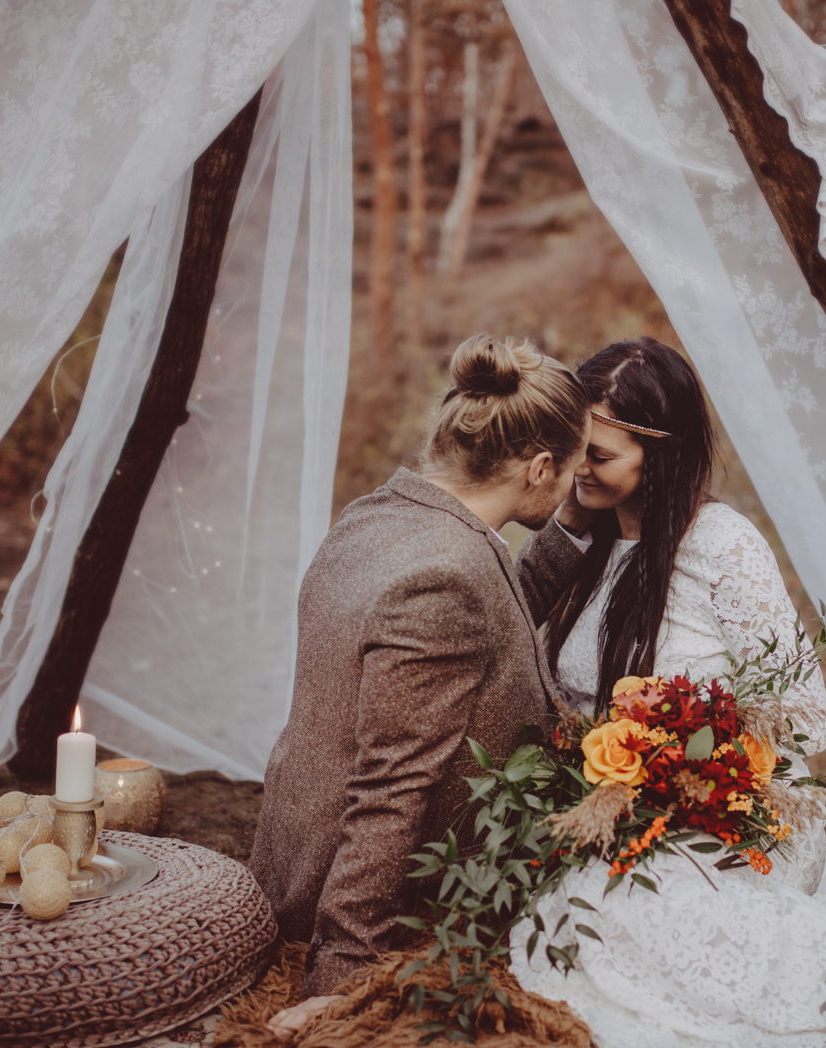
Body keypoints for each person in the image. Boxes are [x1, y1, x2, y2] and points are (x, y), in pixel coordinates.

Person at [511, 336, 826, 1048]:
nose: (580, 470)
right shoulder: (581, 546)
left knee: (630, 906)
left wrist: (690, 767)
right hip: (610, 810)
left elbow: (804, 718)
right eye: (575, 450)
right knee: (555, 916)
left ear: (657, 455)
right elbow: (521, 637)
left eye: (600, 456)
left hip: (737, 814)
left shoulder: (721, 546)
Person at [250, 334, 593, 1032]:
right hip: (373, 898)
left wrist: (572, 527)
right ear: (538, 467)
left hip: (292, 854)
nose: (574, 487)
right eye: (572, 474)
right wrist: (343, 979)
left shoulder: (379, 517)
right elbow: (391, 788)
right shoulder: (448, 580)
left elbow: (490, 615)